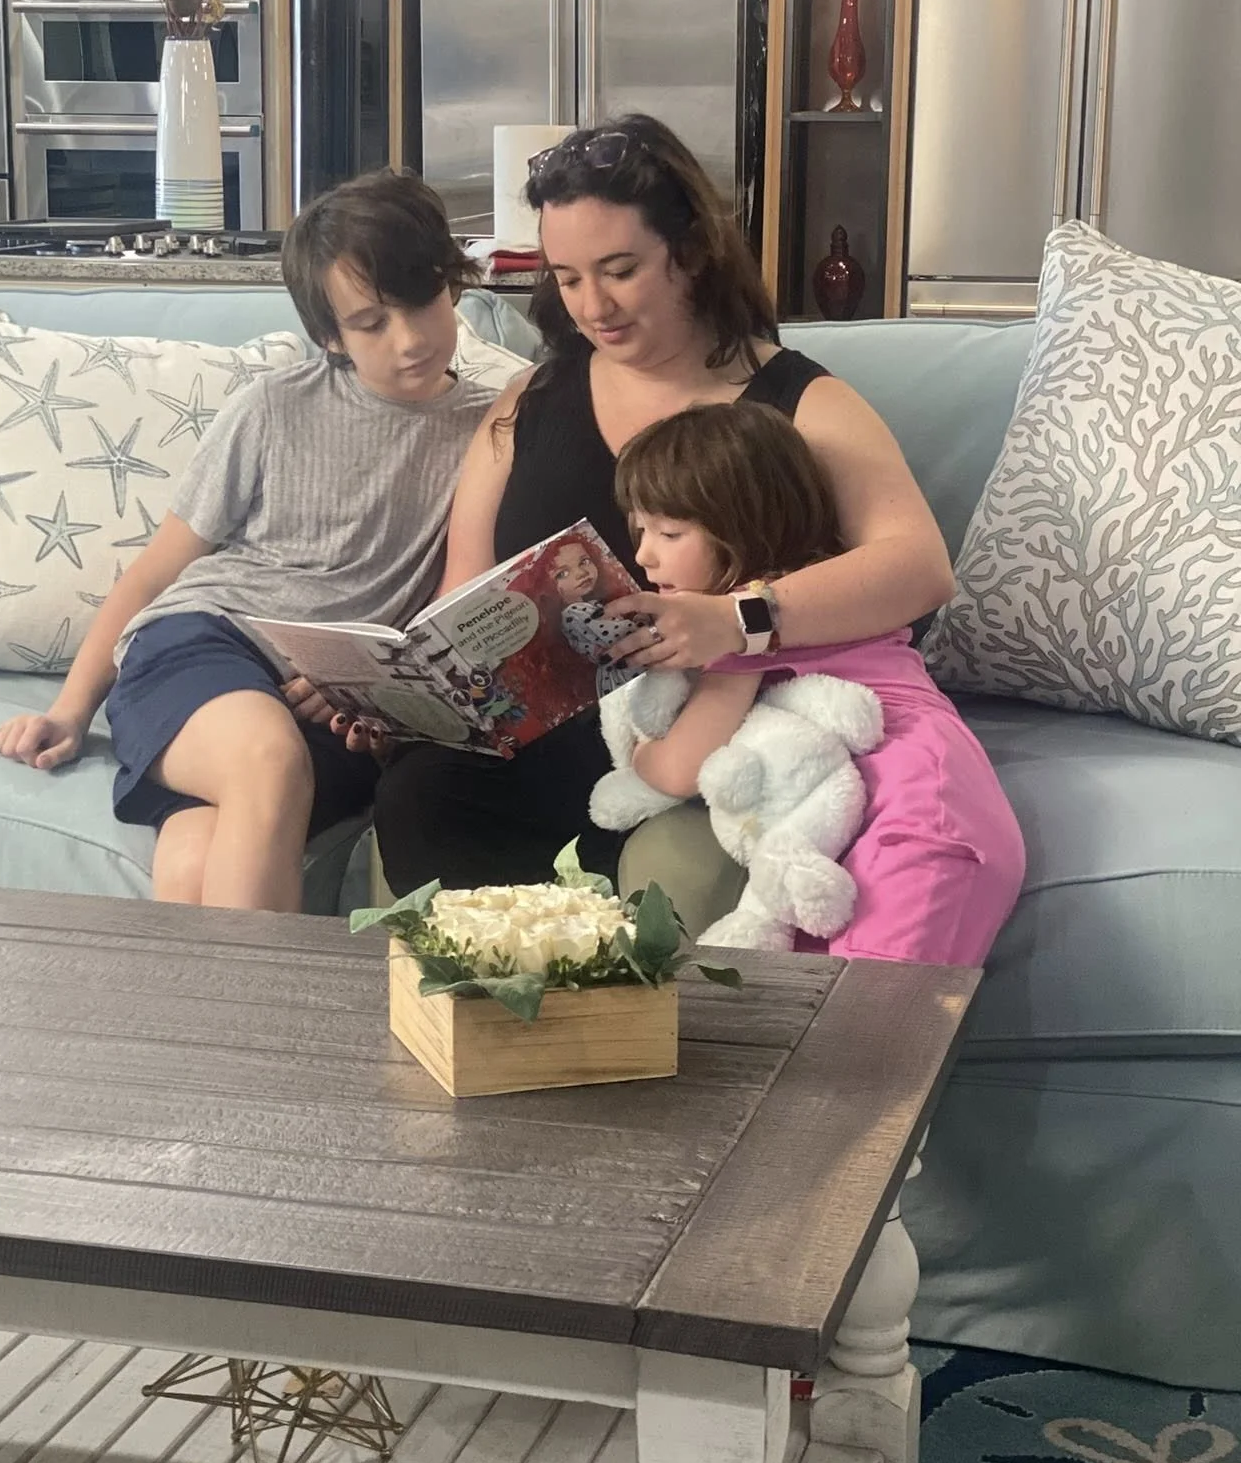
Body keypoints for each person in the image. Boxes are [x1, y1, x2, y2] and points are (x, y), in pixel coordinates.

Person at [370, 111, 958, 893]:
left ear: (688, 252)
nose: (592, 307)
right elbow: (462, 597)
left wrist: (734, 620)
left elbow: (919, 570)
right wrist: (400, 694)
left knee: (679, 864)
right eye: (568, 278)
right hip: (542, 746)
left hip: (711, 731)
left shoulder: (799, 400)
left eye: (619, 270)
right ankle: (480, 1012)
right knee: (419, 790)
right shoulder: (530, 400)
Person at [0, 169, 491, 912]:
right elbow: (154, 576)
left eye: (422, 302)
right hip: (206, 647)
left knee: (196, 865)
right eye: (371, 322)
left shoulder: (494, 425)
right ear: (330, 336)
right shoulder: (274, 408)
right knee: (266, 759)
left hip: (339, 702)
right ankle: (279, 1029)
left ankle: (205, 1028)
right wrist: (70, 710)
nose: (410, 339)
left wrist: (371, 693)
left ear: (452, 285)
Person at [610, 401, 1024, 966]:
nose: (643, 554)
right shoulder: (813, 595)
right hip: (917, 803)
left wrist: (638, 749)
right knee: (837, 1018)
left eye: (669, 531)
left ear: (744, 529)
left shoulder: (743, 631)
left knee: (861, 1022)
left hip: (921, 818)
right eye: (640, 529)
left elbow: (677, 770)